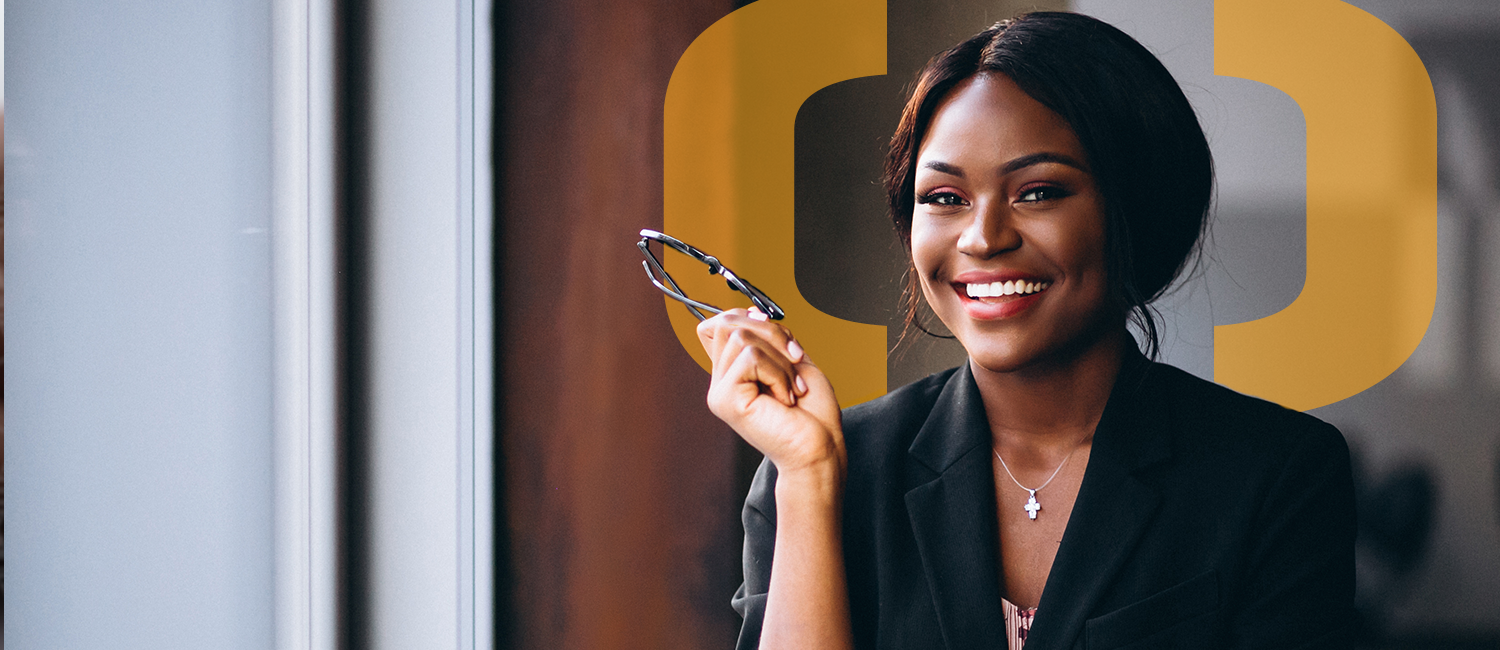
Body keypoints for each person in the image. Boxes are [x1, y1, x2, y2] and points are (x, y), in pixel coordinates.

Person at [695, 11, 1355, 650]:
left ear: (1135, 208)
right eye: (945, 199)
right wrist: (809, 480)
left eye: (1037, 192)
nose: (983, 238)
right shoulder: (828, 473)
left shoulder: (1274, 476)